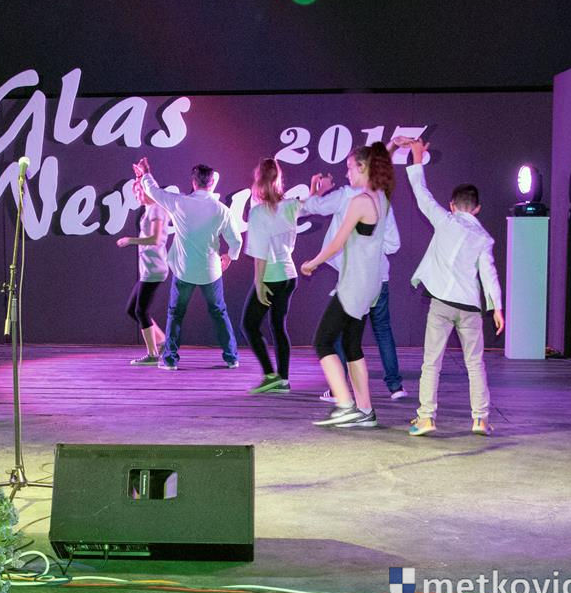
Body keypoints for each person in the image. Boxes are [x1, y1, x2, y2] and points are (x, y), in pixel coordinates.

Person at [401, 138, 504, 436]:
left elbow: (421, 194)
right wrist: (498, 308)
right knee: (475, 364)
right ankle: (480, 419)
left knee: (431, 363)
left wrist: (417, 158)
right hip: (470, 307)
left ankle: (426, 418)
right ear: (477, 209)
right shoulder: (483, 238)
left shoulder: (445, 220)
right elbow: (489, 275)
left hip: (442, 303)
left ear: (452, 205)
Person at [300, 142, 395, 428]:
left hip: (354, 285)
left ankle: (344, 404)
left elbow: (337, 243)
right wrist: (390, 147)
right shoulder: (381, 197)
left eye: (350, 167)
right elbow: (381, 159)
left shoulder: (360, 201)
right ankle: (365, 410)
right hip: (370, 284)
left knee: (322, 341)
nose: (347, 173)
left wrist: (312, 263)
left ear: (363, 167)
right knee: (352, 345)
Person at [133, 157, 242, 371]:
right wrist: (230, 257)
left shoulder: (180, 203)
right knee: (219, 313)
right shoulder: (221, 209)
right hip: (211, 271)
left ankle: (170, 360)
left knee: (175, 314)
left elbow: (154, 192)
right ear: (212, 182)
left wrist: (145, 173)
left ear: (193, 182)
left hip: (184, 271)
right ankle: (231, 358)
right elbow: (236, 241)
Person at [242, 157, 301, 394]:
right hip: (289, 275)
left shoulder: (258, 212)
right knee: (278, 327)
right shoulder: (290, 206)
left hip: (271, 276)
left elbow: (260, 251)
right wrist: (317, 191)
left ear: (259, 179)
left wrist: (259, 282)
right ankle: (283, 380)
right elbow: (310, 204)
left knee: (249, 325)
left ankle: (270, 375)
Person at [116, 180, 169, 365]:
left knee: (140, 311)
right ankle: (162, 341)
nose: (137, 195)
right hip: (148, 269)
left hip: (155, 268)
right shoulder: (149, 209)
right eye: (135, 192)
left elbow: (155, 239)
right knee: (133, 310)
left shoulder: (156, 209)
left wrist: (130, 240)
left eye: (139, 191)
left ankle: (153, 354)